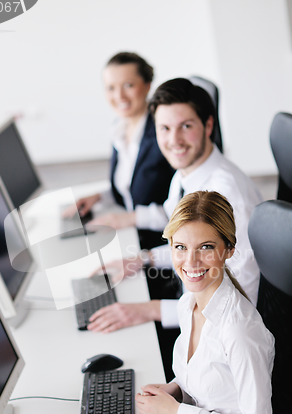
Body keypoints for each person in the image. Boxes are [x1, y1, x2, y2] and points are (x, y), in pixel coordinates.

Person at [135, 191, 287, 414]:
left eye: (205, 247)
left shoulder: (238, 330)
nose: (190, 262)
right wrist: (175, 388)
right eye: (180, 247)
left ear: (228, 249)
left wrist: (178, 413)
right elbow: (210, 373)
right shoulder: (188, 303)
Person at [87, 78, 262, 334]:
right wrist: (143, 259)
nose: (174, 140)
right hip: (188, 291)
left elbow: (241, 297)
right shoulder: (185, 173)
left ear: (208, 125)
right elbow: (193, 246)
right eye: (164, 128)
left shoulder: (228, 197)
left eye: (186, 126)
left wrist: (152, 310)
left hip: (213, 330)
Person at [64, 52, 174, 250]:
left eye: (128, 85)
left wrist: (131, 218)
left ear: (147, 85)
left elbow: (186, 206)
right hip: (133, 233)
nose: (119, 96)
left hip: (162, 244)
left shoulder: (165, 133)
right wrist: (100, 196)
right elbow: (129, 187)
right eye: (110, 88)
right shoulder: (119, 128)